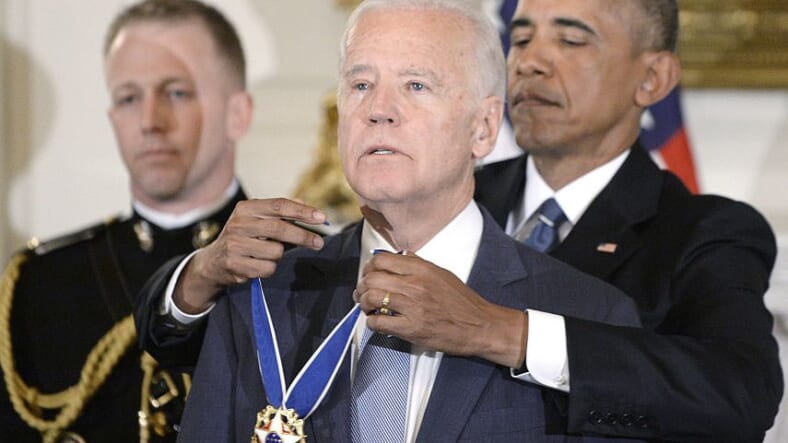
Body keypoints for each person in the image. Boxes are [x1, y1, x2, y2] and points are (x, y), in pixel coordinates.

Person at [173, 1, 645, 441]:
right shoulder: (264, 294)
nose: (378, 110)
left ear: (483, 127)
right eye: (361, 85)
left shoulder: (585, 316)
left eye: (416, 85)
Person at [0, 1, 324, 442]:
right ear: (113, 117)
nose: (150, 122)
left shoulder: (306, 270)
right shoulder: (44, 284)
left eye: (177, 93)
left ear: (238, 114)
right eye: (129, 98)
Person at [472, 0, 782, 441]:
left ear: (652, 78)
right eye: (520, 39)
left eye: (570, 40)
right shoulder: (451, 195)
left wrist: (512, 335)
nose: (528, 62)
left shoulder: (703, 232)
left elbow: (739, 393)